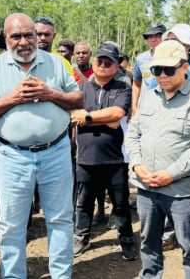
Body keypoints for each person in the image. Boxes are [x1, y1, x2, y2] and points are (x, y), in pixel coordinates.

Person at [0, 13, 83, 279]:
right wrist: (12, 98)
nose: (23, 42)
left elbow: (77, 98)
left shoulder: (57, 63)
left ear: (36, 35)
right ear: (6, 39)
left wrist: (49, 93)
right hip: (12, 156)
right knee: (10, 225)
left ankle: (61, 275)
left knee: (60, 220)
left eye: (28, 35)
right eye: (16, 36)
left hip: (56, 152)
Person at [125, 39, 190, 279]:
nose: (162, 75)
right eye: (157, 70)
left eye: (168, 69)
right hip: (146, 187)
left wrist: (170, 174)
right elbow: (133, 134)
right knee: (148, 243)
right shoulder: (148, 96)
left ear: (184, 67)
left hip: (182, 191)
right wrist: (136, 164)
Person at [70, 43, 137, 260]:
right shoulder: (82, 89)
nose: (102, 65)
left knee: (120, 204)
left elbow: (117, 114)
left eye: (108, 62)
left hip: (115, 158)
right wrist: (105, 119)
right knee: (83, 202)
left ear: (116, 66)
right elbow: (75, 116)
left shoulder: (123, 87)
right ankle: (81, 237)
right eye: (99, 60)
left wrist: (88, 117)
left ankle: (126, 240)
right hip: (86, 158)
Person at [131, 22, 166, 116]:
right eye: (150, 36)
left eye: (157, 36)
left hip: (166, 107)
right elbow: (136, 83)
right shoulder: (141, 59)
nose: (153, 39)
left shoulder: (172, 59)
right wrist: (134, 107)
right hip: (145, 108)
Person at [33, 16, 79, 81]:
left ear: (54, 36)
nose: (43, 38)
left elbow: (72, 90)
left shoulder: (62, 63)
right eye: (39, 34)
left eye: (47, 34)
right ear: (32, 34)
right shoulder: (23, 59)